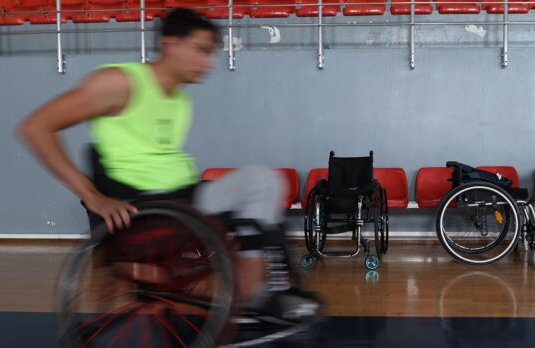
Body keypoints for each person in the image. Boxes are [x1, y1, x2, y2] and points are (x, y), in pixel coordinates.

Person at [18, 7, 319, 326]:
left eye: (211, 54)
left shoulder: (178, 99)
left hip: (182, 200)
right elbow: (36, 127)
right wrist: (92, 196)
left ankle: (256, 297)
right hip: (145, 209)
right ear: (171, 45)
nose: (209, 63)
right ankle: (255, 298)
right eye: (201, 51)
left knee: (262, 181)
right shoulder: (119, 83)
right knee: (256, 190)